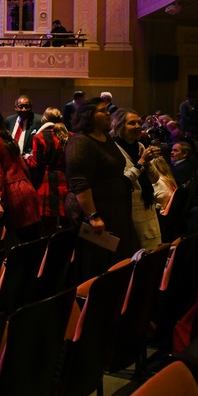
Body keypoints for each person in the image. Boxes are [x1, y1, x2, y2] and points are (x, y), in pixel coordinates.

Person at [65, 98, 139, 281]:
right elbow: (80, 182)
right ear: (89, 116)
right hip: (96, 211)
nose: (108, 113)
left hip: (115, 209)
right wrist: (93, 216)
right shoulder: (81, 141)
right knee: (98, 260)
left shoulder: (106, 138)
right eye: (102, 111)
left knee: (117, 258)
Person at [0, 107, 41, 242]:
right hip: (27, 189)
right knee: (33, 240)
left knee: (24, 241)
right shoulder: (7, 137)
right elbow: (23, 166)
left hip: (13, 193)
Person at [110, 109, 162, 250]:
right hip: (131, 208)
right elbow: (122, 182)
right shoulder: (114, 149)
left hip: (147, 204)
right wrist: (141, 163)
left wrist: (148, 162)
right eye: (132, 123)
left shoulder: (139, 146)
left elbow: (155, 178)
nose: (138, 126)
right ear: (119, 126)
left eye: (139, 122)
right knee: (137, 252)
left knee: (153, 250)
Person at [26, 107, 69, 224]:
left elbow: (36, 163)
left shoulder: (39, 137)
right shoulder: (70, 135)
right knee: (67, 220)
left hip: (47, 181)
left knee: (48, 222)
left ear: (44, 119)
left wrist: (27, 158)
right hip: (67, 180)